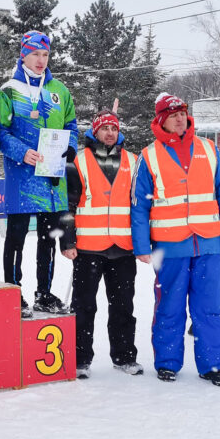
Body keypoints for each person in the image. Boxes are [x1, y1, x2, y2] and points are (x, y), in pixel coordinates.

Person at [131, 93, 220, 387]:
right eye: (173, 113)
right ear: (161, 119)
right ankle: (167, 363)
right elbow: (139, 205)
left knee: (211, 307)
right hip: (170, 246)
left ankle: (214, 365)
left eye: (183, 112)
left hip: (207, 243)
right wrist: (141, 246)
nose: (180, 118)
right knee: (169, 305)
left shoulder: (208, 148)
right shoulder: (149, 155)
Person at [0, 30, 78, 316]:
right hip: (22, 174)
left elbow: (71, 124)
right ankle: (12, 292)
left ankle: (44, 293)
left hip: (51, 177)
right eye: (35, 54)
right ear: (23, 55)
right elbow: (0, 132)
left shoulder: (59, 90)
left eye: (45, 55)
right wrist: (22, 152)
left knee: (48, 238)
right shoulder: (9, 90)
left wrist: (70, 147)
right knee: (17, 237)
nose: (41, 60)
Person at [60, 111, 142, 378]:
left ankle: (125, 356)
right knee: (84, 307)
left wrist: (142, 244)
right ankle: (80, 359)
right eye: (104, 128)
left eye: (114, 128)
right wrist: (67, 240)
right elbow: (67, 205)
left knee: (123, 307)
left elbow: (140, 207)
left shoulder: (133, 161)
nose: (110, 133)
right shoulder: (78, 161)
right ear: (94, 132)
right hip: (87, 248)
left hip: (123, 248)